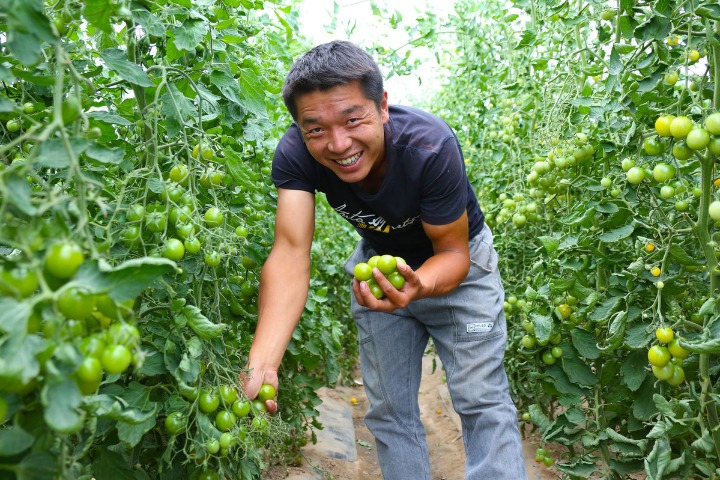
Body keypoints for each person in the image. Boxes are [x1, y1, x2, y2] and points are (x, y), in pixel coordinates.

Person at [241, 40, 528, 480]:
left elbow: (454, 254)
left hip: (459, 270)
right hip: (378, 269)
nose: (338, 144)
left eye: (353, 119)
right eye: (315, 128)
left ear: (383, 107)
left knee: (481, 400)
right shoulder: (297, 154)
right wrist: (264, 363)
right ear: (300, 128)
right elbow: (290, 251)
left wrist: (419, 286)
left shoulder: (430, 147)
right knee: (390, 411)